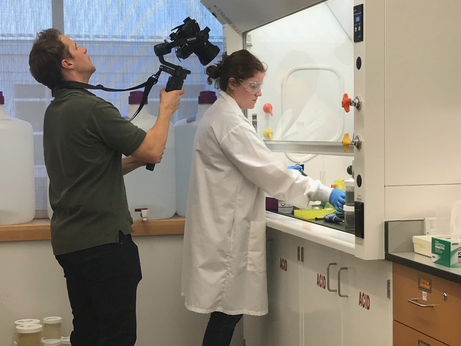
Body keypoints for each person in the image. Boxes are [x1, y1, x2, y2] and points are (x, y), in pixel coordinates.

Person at [29, 28, 184, 346]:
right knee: (117, 337)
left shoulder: (56, 111)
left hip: (71, 243)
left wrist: (136, 159)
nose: (83, 47)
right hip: (104, 245)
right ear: (67, 63)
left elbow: (91, 171)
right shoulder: (90, 108)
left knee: (87, 333)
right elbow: (153, 149)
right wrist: (166, 110)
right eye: (75, 46)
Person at [181, 49, 345, 346]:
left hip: (221, 228)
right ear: (233, 83)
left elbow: (261, 166)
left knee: (224, 317)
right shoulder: (229, 122)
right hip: (225, 235)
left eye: (260, 86)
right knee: (225, 317)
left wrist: (285, 171)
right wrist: (323, 191)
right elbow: (270, 171)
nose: (258, 94)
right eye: (253, 86)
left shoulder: (222, 115)